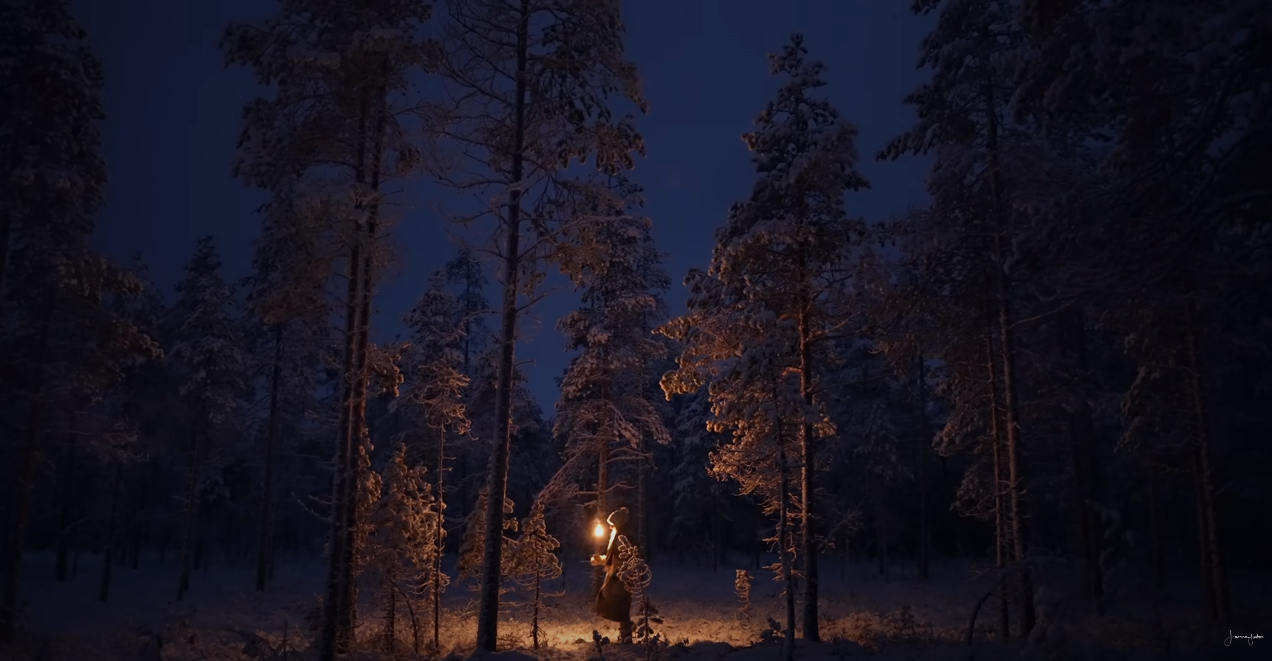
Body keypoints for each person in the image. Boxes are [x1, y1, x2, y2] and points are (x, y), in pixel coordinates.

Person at [590, 507, 633, 643]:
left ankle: (626, 636)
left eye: (612, 525)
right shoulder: (616, 537)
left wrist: (618, 573)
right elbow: (612, 558)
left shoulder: (623, 538)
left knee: (621, 605)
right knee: (615, 604)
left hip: (621, 578)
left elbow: (624, 559)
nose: (609, 527)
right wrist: (601, 559)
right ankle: (625, 634)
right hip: (616, 576)